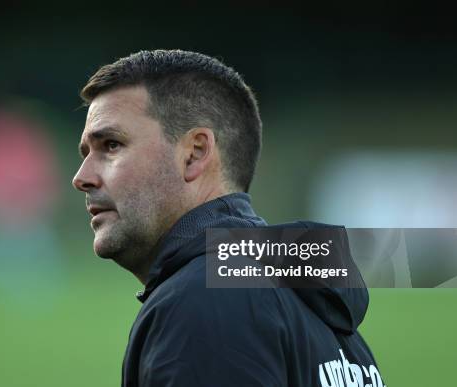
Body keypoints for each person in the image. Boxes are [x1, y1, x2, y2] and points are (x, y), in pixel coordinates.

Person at [72, 49, 385, 387]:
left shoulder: (202, 304)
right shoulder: (319, 310)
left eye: (112, 145)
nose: (81, 177)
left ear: (195, 153)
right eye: (86, 153)